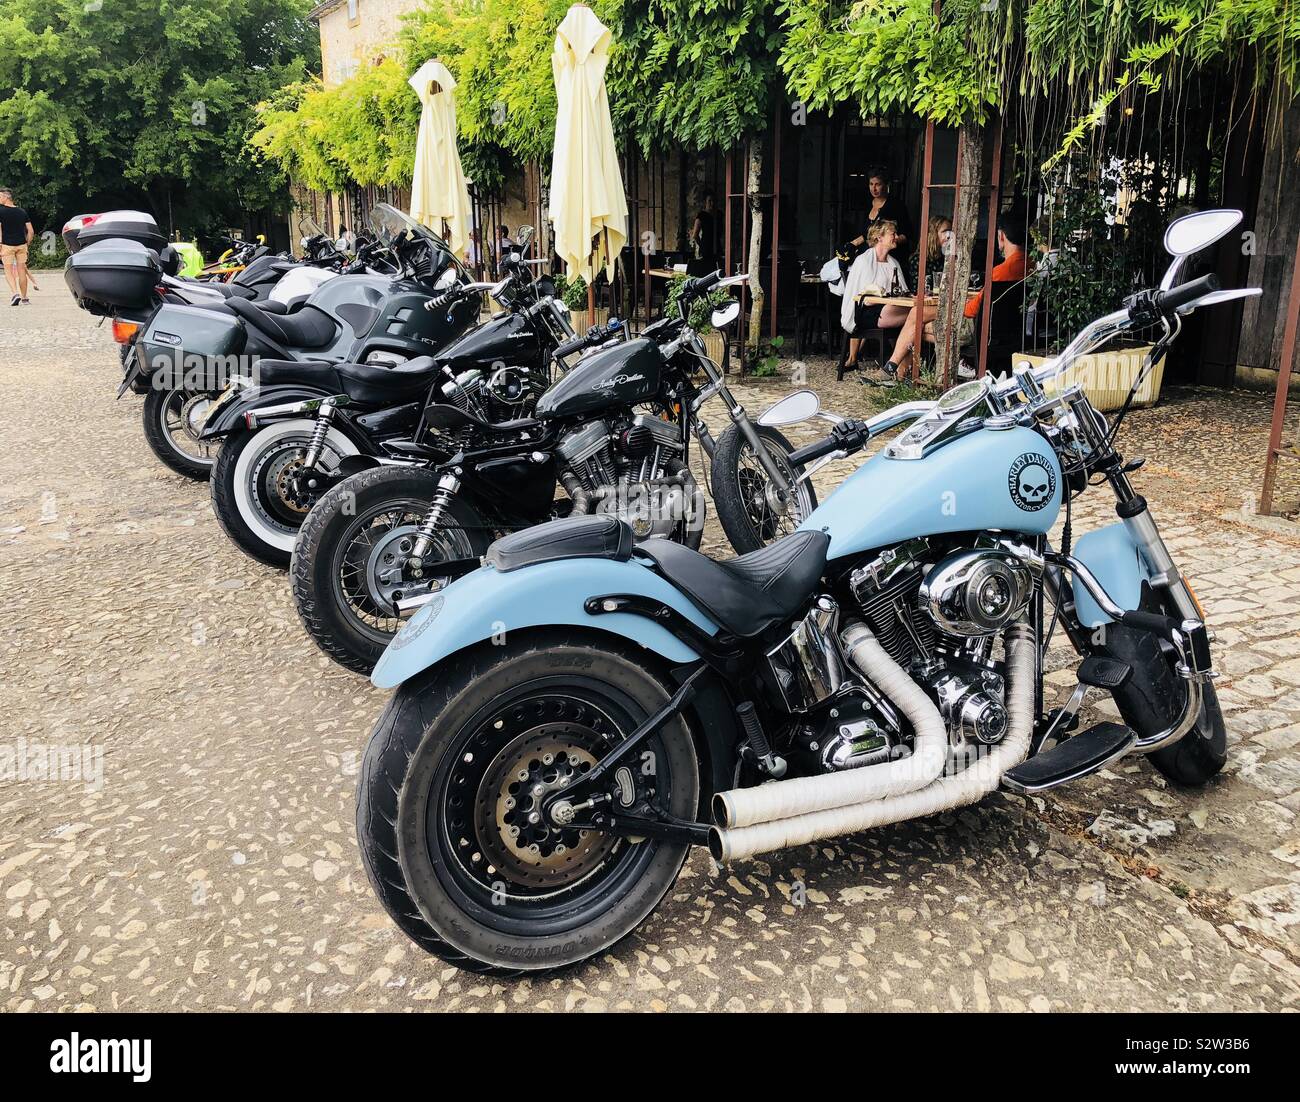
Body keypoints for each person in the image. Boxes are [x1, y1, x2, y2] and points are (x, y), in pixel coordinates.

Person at [883, 216, 955, 379]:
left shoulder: (950, 257)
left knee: (916, 316)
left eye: (950, 231)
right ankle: (900, 374)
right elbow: (919, 291)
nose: (949, 236)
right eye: (944, 232)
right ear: (932, 234)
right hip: (933, 304)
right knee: (917, 322)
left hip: (948, 306)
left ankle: (893, 370)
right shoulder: (919, 259)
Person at [840, 220, 912, 380]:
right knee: (915, 316)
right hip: (867, 314)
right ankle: (903, 370)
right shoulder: (863, 261)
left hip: (890, 310)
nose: (896, 237)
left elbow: (902, 291)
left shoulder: (894, 263)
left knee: (916, 317)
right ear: (879, 237)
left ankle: (902, 370)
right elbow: (861, 297)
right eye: (892, 234)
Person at [838, 169, 913, 263]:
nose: (874, 188)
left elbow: (907, 234)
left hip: (889, 257)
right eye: (871, 184)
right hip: (868, 255)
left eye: (878, 184)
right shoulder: (867, 204)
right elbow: (865, 234)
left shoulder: (896, 206)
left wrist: (888, 242)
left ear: (886, 185)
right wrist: (852, 244)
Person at [0, 187, 35, 306]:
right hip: (21, 245)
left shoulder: (1, 211)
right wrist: (27, 244)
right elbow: (30, 231)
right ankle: (25, 298)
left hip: (6, 245)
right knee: (21, 271)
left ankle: (15, 294)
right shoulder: (22, 212)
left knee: (8, 271)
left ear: (6, 197)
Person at [687, 188, 718, 274]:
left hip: (717, 247)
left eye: (714, 201)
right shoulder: (702, 215)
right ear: (705, 202)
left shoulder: (719, 214)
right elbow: (695, 235)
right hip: (706, 247)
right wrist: (702, 246)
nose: (712, 203)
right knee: (706, 270)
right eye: (709, 201)